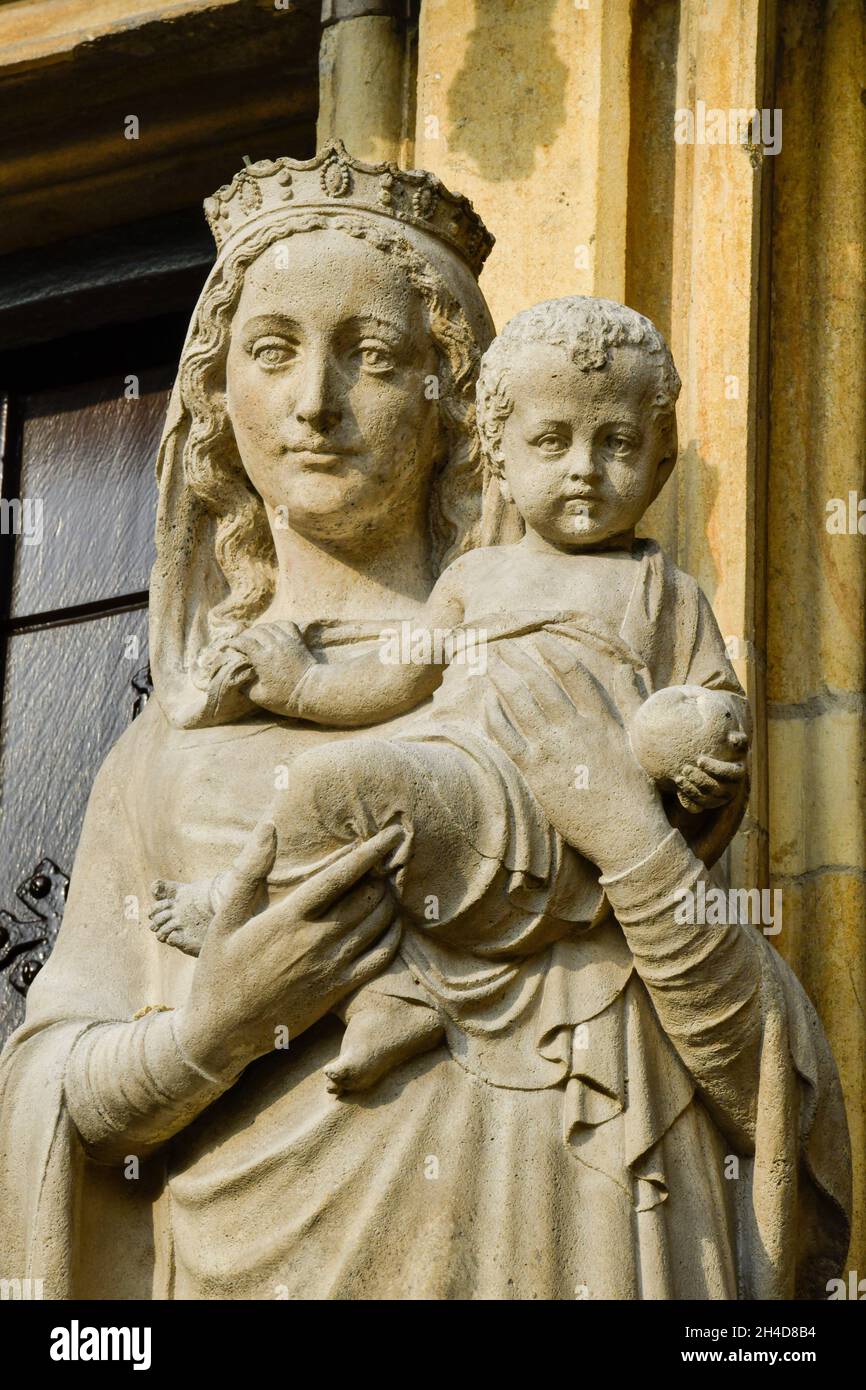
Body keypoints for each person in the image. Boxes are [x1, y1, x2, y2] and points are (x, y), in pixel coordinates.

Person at [0, 150, 850, 1300]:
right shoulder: (167, 753)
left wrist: (630, 841)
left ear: (457, 400)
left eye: (374, 356)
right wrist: (215, 1026)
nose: (314, 403)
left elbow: (768, 1092)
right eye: (273, 351)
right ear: (217, 401)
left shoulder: (567, 671)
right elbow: (57, 1085)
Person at [149, 298, 753, 1097]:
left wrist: (713, 768)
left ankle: (297, 929)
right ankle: (385, 993)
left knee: (358, 800)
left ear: (662, 459)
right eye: (551, 442)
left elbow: (715, 708)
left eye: (616, 444)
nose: (583, 468)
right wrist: (301, 684)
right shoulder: (474, 578)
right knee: (336, 791)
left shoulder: (661, 591)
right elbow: (397, 679)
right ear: (499, 455)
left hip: (554, 822)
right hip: (455, 784)